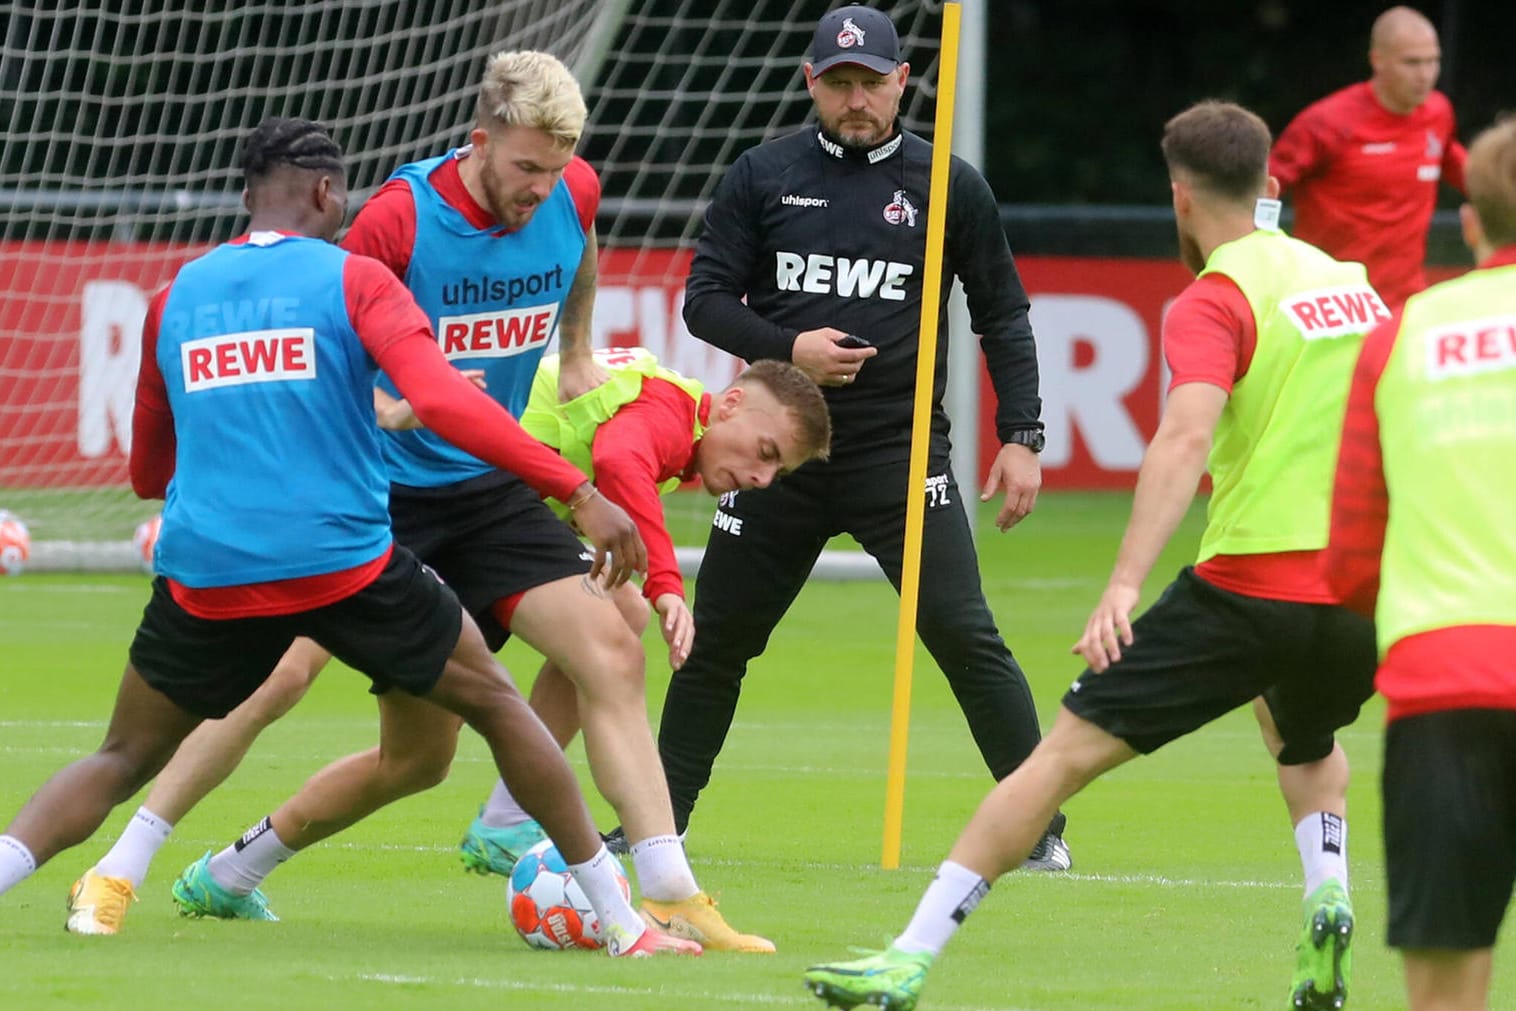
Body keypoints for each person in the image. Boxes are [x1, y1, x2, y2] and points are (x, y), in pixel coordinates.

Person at [66, 52, 771, 953]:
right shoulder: (399, 218)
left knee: (604, 642)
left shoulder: (571, 191)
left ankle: (667, 888)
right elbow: (310, 319)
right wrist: (379, 404)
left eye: (556, 170)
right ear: (479, 142)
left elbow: (579, 242)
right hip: (378, 491)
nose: (540, 189)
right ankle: (120, 864)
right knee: (307, 692)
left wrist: (582, 341)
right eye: (524, 168)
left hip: (487, 492)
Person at [802, 100, 1386, 1011]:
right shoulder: (1350, 283)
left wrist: (1122, 584)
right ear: (1271, 184)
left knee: (1055, 761)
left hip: (1251, 583)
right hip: (1357, 595)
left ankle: (907, 957)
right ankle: (1330, 896)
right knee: (1301, 730)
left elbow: (1183, 439)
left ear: (1180, 197)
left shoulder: (1216, 297)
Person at [633, 2, 1070, 871]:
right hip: (774, 464)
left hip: (899, 460)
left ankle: (1036, 833)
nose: (856, 99)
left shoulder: (949, 184)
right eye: (838, 84)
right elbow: (705, 299)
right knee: (713, 646)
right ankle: (656, 832)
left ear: (902, 81)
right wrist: (785, 346)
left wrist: (1021, 432)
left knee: (966, 636)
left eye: (871, 81)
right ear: (811, 83)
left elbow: (1003, 312)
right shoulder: (764, 174)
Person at [1325, 116, 1516, 1011]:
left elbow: (1352, 556)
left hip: (1446, 690)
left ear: (1470, 222)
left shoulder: (1402, 336)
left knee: (1444, 991)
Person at [1270, 5, 1467, 310]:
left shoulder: (1438, 113)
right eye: (1412, 63)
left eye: (1433, 61)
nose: (1426, 75)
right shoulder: (1326, 123)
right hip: (1329, 305)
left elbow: (1472, 176)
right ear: (1378, 61)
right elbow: (1257, 190)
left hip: (1404, 302)